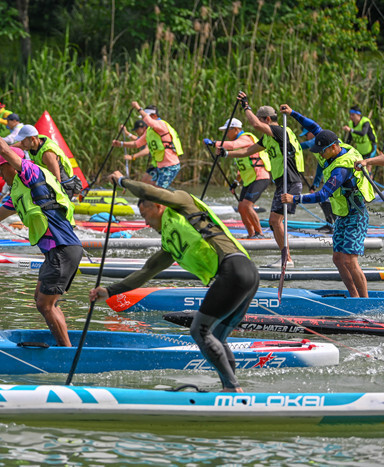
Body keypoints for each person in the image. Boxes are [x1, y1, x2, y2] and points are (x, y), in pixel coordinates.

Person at [89, 172, 258, 392]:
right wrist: (110, 291)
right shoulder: (170, 242)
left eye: (145, 214)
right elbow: (147, 271)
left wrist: (122, 181)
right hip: (245, 274)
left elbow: (147, 191)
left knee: (199, 331)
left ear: (158, 206)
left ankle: (232, 388)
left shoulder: (182, 202)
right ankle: (231, 389)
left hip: (234, 269)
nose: (146, 223)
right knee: (216, 336)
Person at [0, 118, 83, 347]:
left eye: (0, 168)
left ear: (11, 165)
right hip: (57, 251)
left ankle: (66, 353)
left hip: (63, 248)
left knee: (44, 305)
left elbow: (4, 148)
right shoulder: (19, 191)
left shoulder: (31, 173)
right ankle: (66, 344)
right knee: (43, 301)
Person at [282, 130, 373, 298]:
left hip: (356, 215)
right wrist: (293, 113)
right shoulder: (337, 148)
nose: (321, 155)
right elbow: (314, 127)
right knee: (338, 259)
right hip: (342, 215)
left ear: (333, 147)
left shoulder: (341, 170)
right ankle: (354, 297)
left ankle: (364, 301)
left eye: (322, 151)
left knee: (350, 261)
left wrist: (294, 198)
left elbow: (323, 195)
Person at [220, 92, 304, 268]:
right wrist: (226, 153)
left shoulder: (279, 131)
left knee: (275, 221)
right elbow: (245, 151)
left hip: (291, 180)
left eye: (261, 120)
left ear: (267, 119)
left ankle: (287, 259)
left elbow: (255, 124)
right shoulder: (268, 137)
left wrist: (246, 106)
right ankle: (286, 258)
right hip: (282, 182)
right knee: (275, 221)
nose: (258, 124)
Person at [204, 117, 271, 239]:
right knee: (241, 208)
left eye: (227, 131)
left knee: (246, 205)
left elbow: (233, 145)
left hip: (260, 176)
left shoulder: (246, 138)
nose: (226, 134)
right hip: (250, 179)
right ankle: (251, 234)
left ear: (235, 129)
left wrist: (215, 143)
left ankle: (260, 234)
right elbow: (242, 168)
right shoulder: (239, 144)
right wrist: (235, 183)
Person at [0, 124, 83, 199]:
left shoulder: (47, 153)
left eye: (22, 141)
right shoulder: (30, 143)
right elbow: (8, 149)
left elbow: (57, 180)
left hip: (64, 187)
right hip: (50, 183)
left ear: (33, 139)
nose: (21, 143)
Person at [113, 103, 183, 188]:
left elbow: (149, 121)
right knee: (148, 185)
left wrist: (138, 107)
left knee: (158, 192)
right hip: (160, 166)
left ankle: (176, 199)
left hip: (170, 166)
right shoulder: (149, 130)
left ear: (153, 115)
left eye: (144, 118)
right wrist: (120, 144)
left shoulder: (161, 124)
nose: (143, 120)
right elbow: (137, 143)